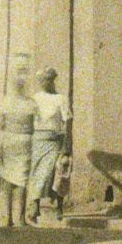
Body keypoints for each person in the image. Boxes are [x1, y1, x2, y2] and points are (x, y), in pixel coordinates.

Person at [27, 67, 71, 224]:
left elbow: (67, 123)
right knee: (38, 173)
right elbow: (29, 121)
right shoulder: (35, 99)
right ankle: (35, 207)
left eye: (46, 80)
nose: (43, 83)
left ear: (52, 80)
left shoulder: (61, 99)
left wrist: (66, 146)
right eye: (41, 81)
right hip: (38, 140)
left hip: (55, 140)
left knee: (57, 172)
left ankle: (59, 206)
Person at [0, 68, 35, 226]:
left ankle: (7, 217)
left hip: (9, 140)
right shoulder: (30, 104)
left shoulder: (5, 102)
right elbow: (35, 124)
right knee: (22, 180)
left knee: (7, 179)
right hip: (25, 141)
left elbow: (0, 124)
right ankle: (20, 218)